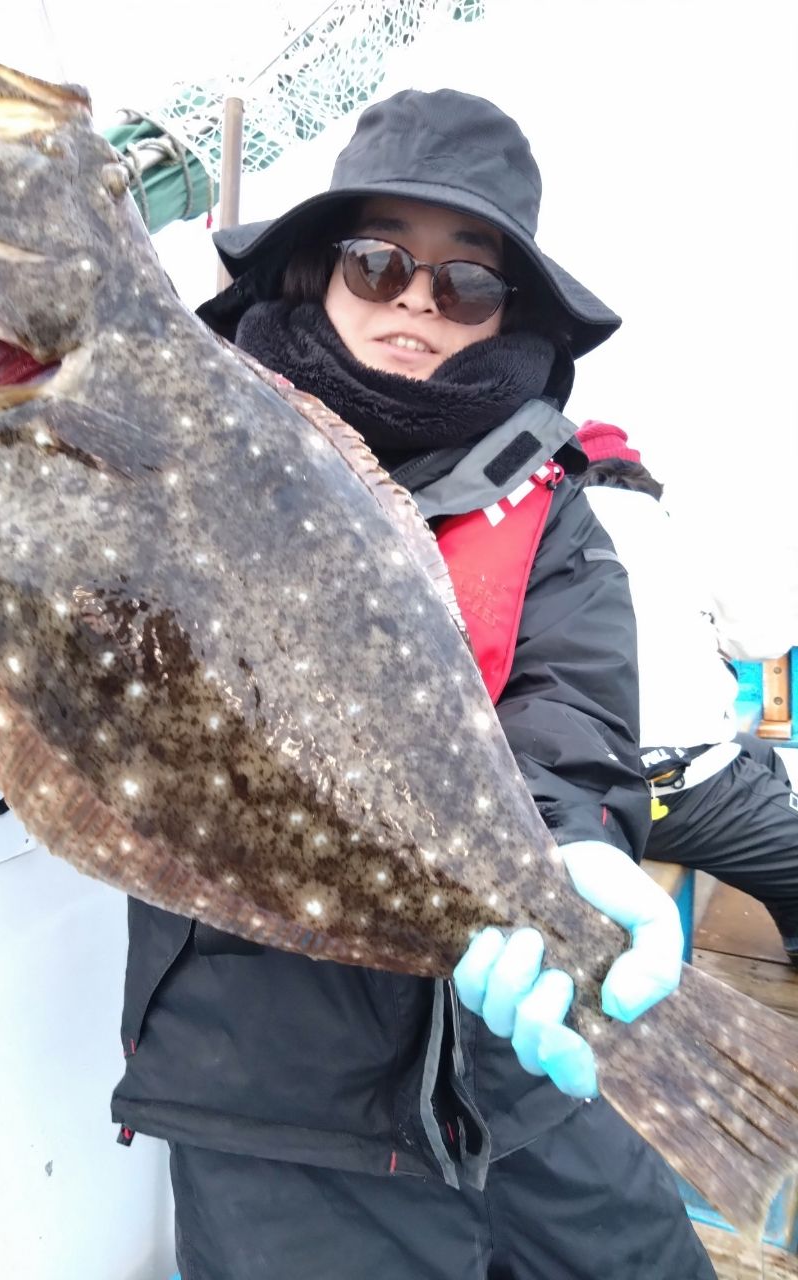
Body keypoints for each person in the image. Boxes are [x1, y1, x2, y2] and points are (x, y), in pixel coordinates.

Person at [111, 91, 713, 1279]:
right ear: (318, 269)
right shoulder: (186, 447)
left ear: (506, 313)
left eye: (465, 284)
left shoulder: (550, 503)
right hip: (279, 1095)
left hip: (523, 1059)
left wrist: (564, 844)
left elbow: (571, 707)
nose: (416, 305)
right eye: (380, 262)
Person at [578, 420, 798, 967]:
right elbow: (764, 638)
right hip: (678, 795)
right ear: (644, 483)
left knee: (761, 754)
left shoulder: (552, 536)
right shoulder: (670, 528)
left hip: (585, 792)